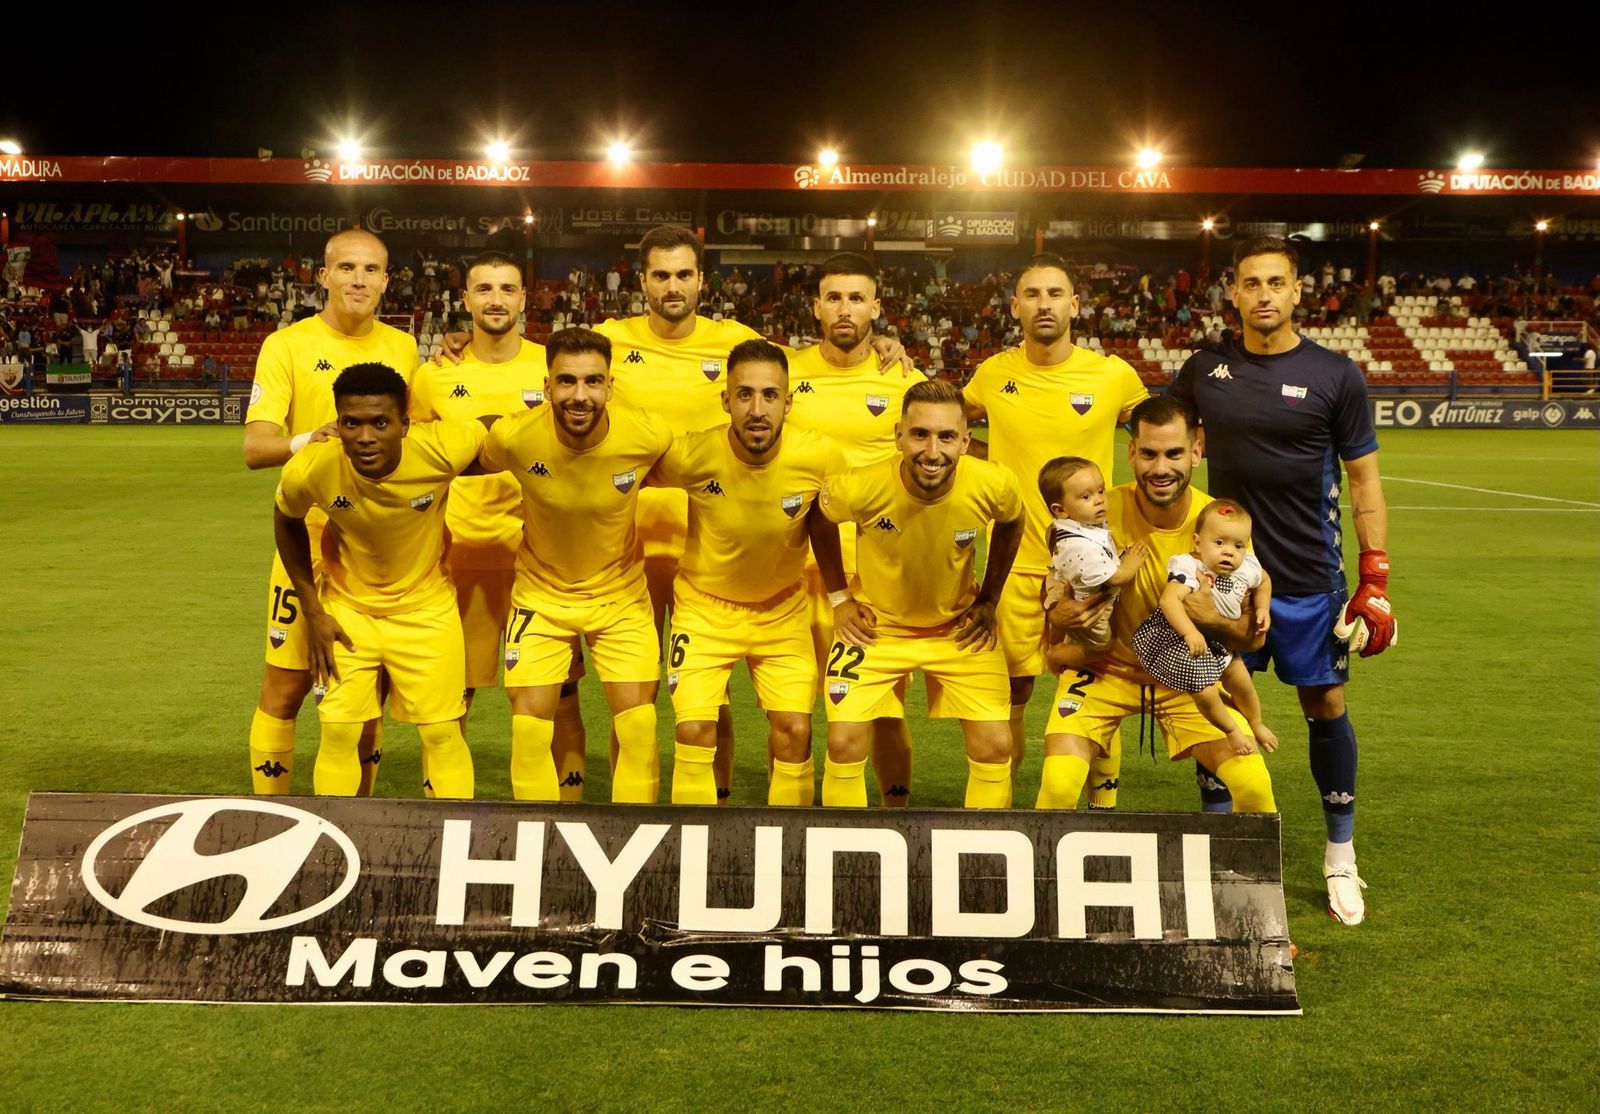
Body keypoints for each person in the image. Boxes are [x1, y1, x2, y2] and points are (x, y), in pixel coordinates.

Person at [1169, 236, 1396, 926]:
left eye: (1276, 282)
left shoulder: (1336, 375)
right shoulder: (1204, 370)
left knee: (1324, 707)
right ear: (1232, 294)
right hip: (1223, 579)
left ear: (1299, 292)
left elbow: (1363, 480)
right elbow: (1154, 432)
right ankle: (1217, 847)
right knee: (1214, 705)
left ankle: (1339, 856)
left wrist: (1375, 574)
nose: (1263, 294)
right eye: (1250, 283)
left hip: (1305, 578)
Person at [407, 251, 593, 796]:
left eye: (507, 288)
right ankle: (445, 819)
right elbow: (415, 460)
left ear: (523, 299)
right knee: (450, 700)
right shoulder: (434, 376)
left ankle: (566, 815)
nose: (495, 299)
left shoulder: (552, 366)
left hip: (539, 560)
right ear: (465, 299)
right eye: (483, 289)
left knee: (557, 697)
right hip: (456, 555)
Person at [964, 253, 1148, 804]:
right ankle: (1005, 811)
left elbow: (1162, 436)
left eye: (1054, 293)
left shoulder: (1113, 375)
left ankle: (1104, 810)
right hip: (1015, 563)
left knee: (1101, 682)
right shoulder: (993, 373)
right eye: (1032, 294)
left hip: (1093, 569)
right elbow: (944, 427)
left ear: (1075, 303)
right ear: (1015, 305)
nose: (1043, 303)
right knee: (1012, 694)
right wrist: (987, 458)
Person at [1038, 395, 1277, 817]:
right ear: (1131, 453)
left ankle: (1231, 881)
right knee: (1058, 786)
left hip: (1186, 679)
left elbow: (1250, 641)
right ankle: (1045, 883)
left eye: (1174, 454)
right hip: (1104, 671)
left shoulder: (1221, 525)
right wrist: (1054, 609)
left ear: (1197, 452)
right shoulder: (1096, 508)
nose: (1161, 468)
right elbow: (1055, 574)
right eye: (1148, 453)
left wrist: (1208, 621)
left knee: (1254, 787)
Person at [242, 228, 418, 796]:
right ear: (323, 276)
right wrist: (307, 442)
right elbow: (255, 448)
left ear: (387, 281)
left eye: (371, 270)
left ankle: (357, 826)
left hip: (378, 548)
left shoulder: (403, 348)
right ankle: (273, 812)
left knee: (365, 698)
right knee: (286, 688)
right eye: (347, 268)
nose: (359, 280)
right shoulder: (286, 345)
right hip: (308, 537)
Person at [646, 338, 845, 804]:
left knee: (795, 730)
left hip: (782, 612)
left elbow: (851, 512)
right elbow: (616, 466)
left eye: (770, 395)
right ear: (725, 400)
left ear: (789, 402)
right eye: (745, 395)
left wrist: (842, 597)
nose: (757, 409)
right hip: (702, 611)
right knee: (695, 729)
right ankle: (698, 851)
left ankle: (789, 853)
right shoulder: (691, 455)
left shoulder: (819, 457)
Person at [273, 363, 484, 799]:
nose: (365, 437)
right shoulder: (312, 466)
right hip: (348, 614)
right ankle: (334, 851)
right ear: (337, 424)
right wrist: (313, 610)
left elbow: (497, 428)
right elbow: (286, 518)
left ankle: (454, 847)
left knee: (443, 735)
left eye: (380, 423)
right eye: (352, 423)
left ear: (405, 425)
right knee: (337, 734)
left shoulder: (442, 447)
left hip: (427, 612)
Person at [479, 326, 670, 803]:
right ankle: (542, 848)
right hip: (540, 598)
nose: (579, 395)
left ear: (609, 386)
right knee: (528, 731)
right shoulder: (516, 437)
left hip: (621, 599)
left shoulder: (647, 435)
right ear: (546, 388)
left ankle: (636, 846)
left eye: (592, 382)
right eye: (566, 382)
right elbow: (451, 455)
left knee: (640, 726)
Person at [815, 378, 1024, 809]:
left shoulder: (994, 483)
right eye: (920, 435)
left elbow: (1012, 521)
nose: (932, 452)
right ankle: (848, 864)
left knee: (995, 744)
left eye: (946, 436)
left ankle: (982, 867)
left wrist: (988, 599)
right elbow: (819, 518)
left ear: (966, 441)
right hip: (876, 630)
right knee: (843, 741)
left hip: (957, 629)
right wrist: (839, 598)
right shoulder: (859, 486)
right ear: (898, 436)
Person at [785, 252, 921, 805]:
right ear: (817, 308)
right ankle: (794, 825)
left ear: (877, 308)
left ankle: (896, 817)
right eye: (834, 298)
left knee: (880, 711)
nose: (845, 309)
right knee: (792, 713)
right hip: (792, 569)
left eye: (857, 298)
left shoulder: (906, 379)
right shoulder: (785, 373)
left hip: (875, 573)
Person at [1132, 499, 1279, 753]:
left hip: (1220, 641)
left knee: (1242, 682)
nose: (1229, 552)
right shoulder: (1190, 567)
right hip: (1181, 642)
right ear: (1198, 543)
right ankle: (1231, 729)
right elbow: (1169, 601)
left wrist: (1263, 608)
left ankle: (1256, 723)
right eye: (1219, 543)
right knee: (1205, 691)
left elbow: (1264, 581)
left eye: (1238, 545)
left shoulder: (1247, 567)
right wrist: (1189, 632)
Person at [1037, 456, 1147, 655]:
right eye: (1086, 497)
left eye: (1101, 490)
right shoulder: (1082, 548)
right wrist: (1132, 561)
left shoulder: (1065, 526)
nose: (1099, 500)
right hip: (1091, 608)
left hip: (1064, 582)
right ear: (1060, 510)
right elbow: (1117, 577)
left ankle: (1057, 639)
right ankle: (1059, 655)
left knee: (1066, 629)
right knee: (1101, 645)